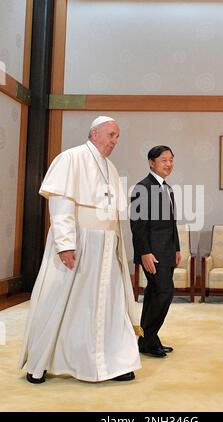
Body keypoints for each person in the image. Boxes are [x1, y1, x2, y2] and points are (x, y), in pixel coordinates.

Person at [18, 115, 142, 383]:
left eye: (117, 137)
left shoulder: (109, 167)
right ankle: (39, 364)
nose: (114, 141)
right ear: (94, 133)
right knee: (63, 302)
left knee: (108, 305)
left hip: (107, 246)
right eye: (111, 135)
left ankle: (112, 363)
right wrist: (65, 244)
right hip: (80, 242)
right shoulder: (70, 158)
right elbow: (61, 205)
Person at [130, 146, 181, 358]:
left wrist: (177, 248)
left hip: (167, 251)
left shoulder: (167, 188)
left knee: (153, 295)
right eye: (163, 160)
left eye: (171, 160)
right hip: (152, 253)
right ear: (151, 162)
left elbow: (172, 224)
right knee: (164, 293)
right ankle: (148, 340)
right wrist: (144, 252)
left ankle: (148, 338)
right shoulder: (142, 188)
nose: (168, 164)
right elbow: (137, 224)